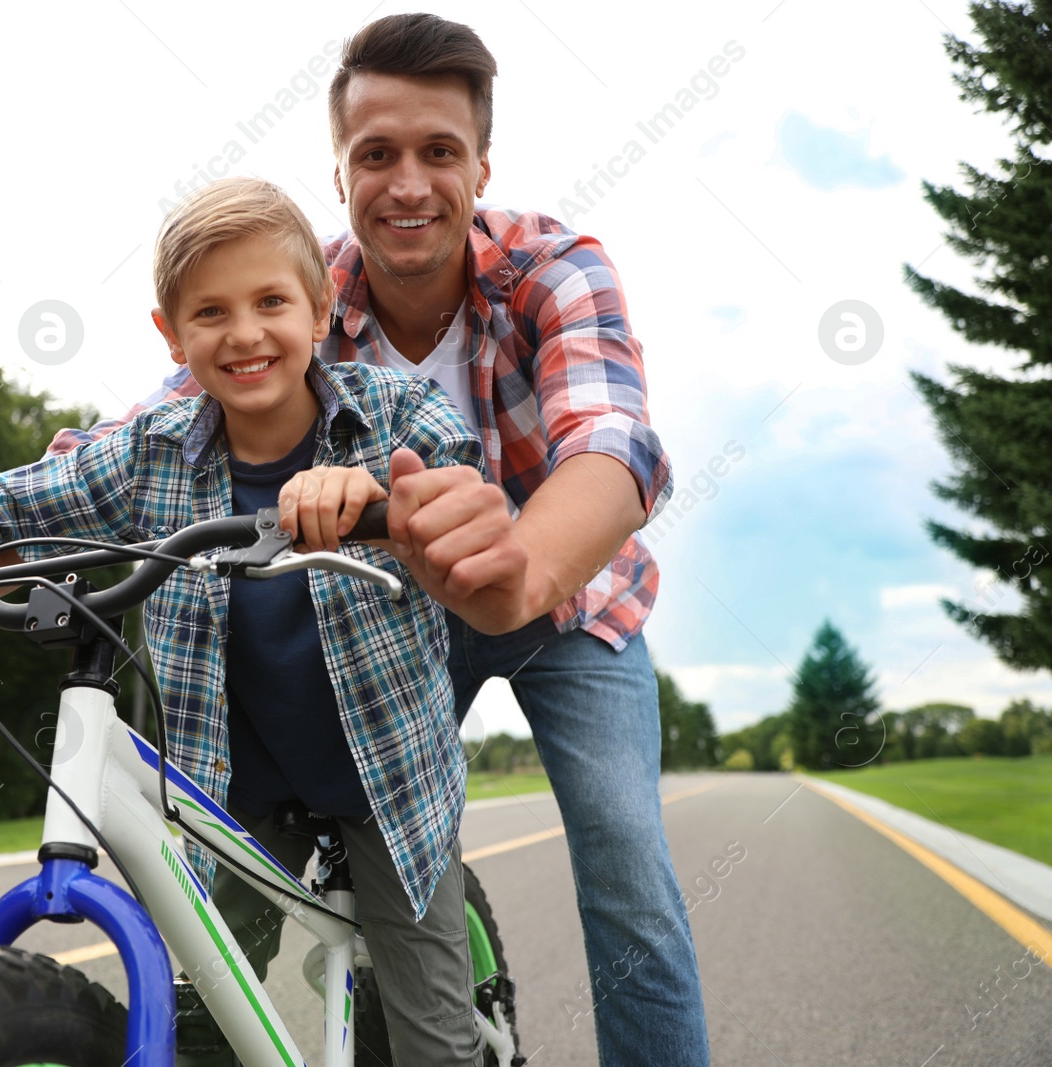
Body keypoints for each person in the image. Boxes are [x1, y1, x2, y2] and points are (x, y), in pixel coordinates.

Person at [43, 14, 710, 1067]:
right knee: (305, 820)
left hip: (565, 603)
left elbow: (614, 442)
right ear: (341, 171)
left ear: (480, 163)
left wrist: (517, 576)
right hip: (384, 608)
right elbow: (162, 421)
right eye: (377, 154)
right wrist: (33, 507)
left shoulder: (554, 266)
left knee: (625, 864)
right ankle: (279, 1020)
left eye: (439, 152)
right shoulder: (305, 294)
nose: (408, 183)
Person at [0, 177, 486, 1063]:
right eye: (209, 312)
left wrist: (380, 492)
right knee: (210, 1027)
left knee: (436, 1038)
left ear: (320, 311)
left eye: (271, 301)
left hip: (389, 786)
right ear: (170, 334)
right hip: (236, 795)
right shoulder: (150, 452)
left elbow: (454, 481)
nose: (243, 333)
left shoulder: (392, 412)